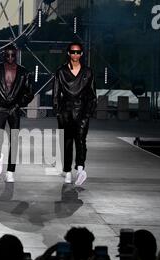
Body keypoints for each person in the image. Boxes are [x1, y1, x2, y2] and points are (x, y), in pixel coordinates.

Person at [0, 45, 34, 183]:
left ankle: (10, 172)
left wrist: (18, 104)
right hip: (0, 109)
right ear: (4, 55)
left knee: (14, 140)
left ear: (16, 55)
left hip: (14, 109)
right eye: (7, 55)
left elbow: (29, 93)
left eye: (12, 55)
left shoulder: (23, 72)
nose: (10, 57)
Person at [53, 42, 97, 186]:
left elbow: (92, 95)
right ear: (68, 53)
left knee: (81, 140)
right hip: (65, 111)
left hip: (82, 111)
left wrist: (88, 112)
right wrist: (58, 112)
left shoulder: (88, 72)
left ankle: (79, 169)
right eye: (73, 52)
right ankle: (67, 171)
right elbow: (55, 94)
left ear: (82, 54)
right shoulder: (61, 71)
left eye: (78, 52)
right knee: (66, 143)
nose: (75, 55)